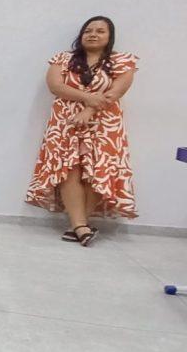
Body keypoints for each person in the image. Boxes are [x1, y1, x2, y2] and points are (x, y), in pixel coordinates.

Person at [26, 16, 139, 246]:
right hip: (66, 123)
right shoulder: (63, 59)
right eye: (88, 30)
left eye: (100, 31)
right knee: (69, 170)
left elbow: (116, 91)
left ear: (110, 37)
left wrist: (89, 110)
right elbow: (56, 86)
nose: (93, 34)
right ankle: (80, 226)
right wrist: (88, 98)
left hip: (104, 125)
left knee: (97, 172)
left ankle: (78, 226)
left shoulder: (122, 61)